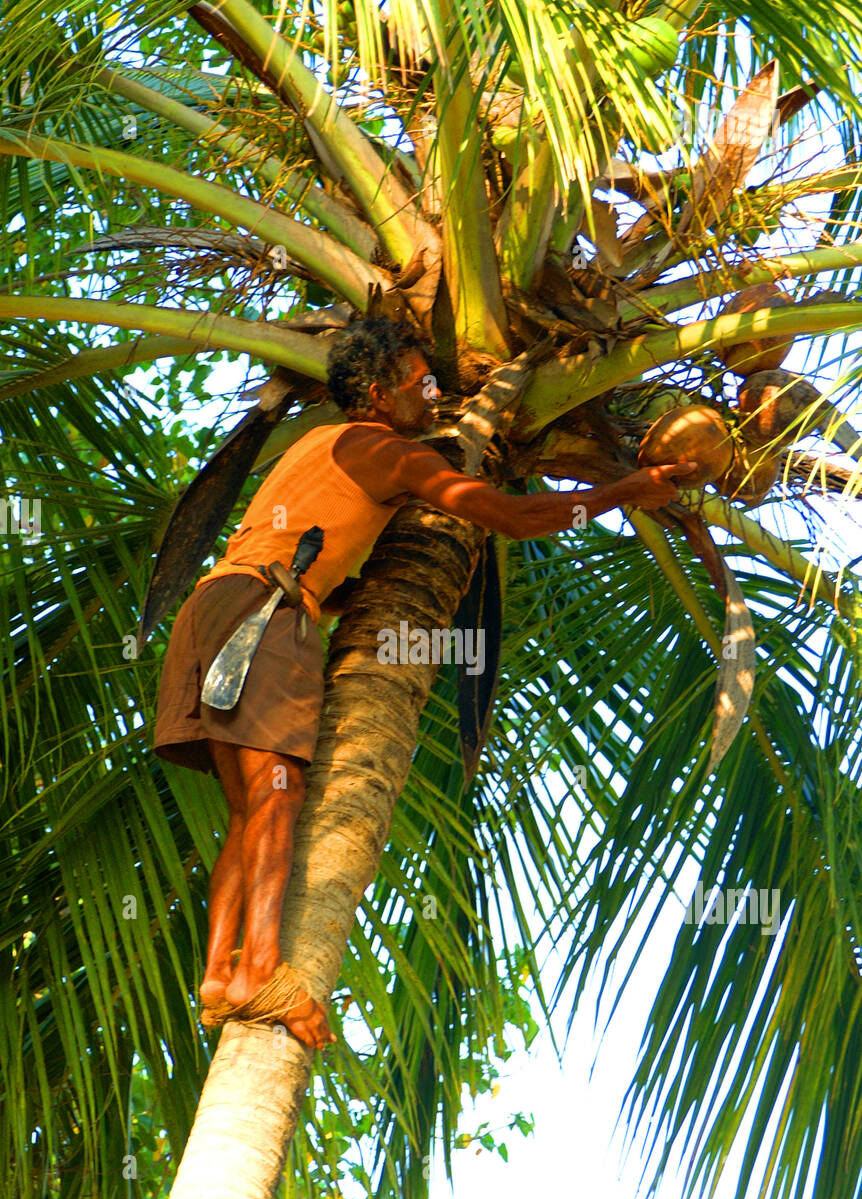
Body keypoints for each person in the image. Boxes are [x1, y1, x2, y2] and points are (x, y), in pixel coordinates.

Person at [153, 318, 695, 1050]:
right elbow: (508, 514)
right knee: (279, 794)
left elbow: (316, 558)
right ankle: (262, 973)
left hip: (221, 604)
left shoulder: (317, 448)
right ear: (377, 396)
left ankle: (222, 977)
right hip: (262, 615)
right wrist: (625, 489)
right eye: (424, 385)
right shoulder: (381, 447)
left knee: (254, 808)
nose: (436, 398)